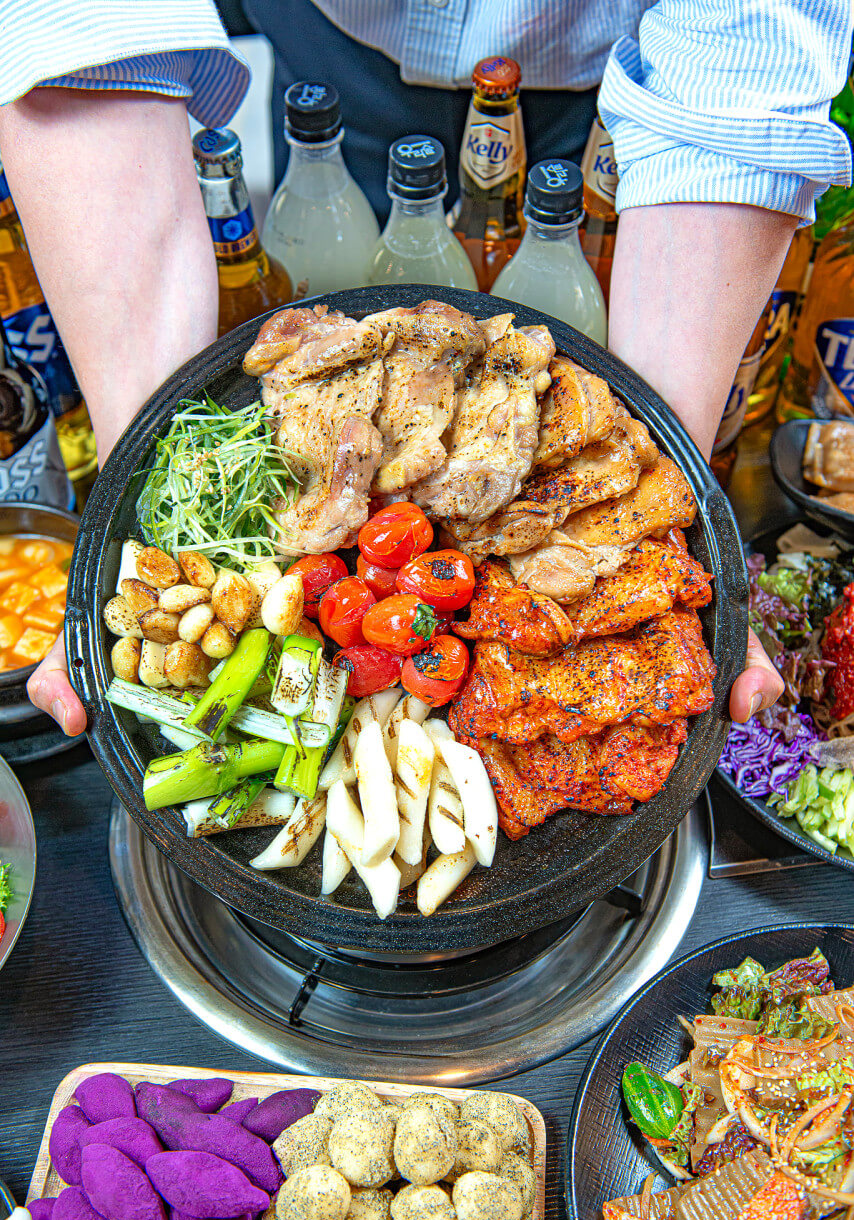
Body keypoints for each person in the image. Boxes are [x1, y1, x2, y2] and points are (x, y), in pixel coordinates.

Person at [0, 0, 850, 736]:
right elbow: (87, 32)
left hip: (599, 91)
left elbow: (744, 55)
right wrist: (134, 486)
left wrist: (664, 514)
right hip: (330, 41)